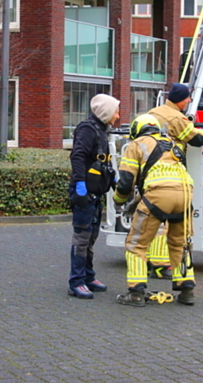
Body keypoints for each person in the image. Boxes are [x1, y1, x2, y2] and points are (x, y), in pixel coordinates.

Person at [113, 114, 196, 306]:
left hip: (158, 196)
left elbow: (126, 182)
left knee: (137, 245)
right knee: (180, 244)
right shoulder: (173, 144)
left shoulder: (137, 144)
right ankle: (186, 291)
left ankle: (136, 293)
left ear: (136, 130)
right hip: (184, 195)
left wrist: (118, 201)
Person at [145, 83, 203, 279]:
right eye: (187, 98)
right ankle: (161, 265)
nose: (189, 101)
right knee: (168, 223)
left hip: (149, 170)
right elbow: (195, 139)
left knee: (152, 220)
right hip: (170, 172)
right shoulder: (177, 118)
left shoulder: (153, 112)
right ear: (180, 99)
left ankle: (152, 261)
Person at [68, 93, 120, 299]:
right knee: (81, 237)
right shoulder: (87, 129)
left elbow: (102, 162)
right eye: (116, 111)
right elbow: (78, 156)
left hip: (94, 192)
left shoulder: (101, 130)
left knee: (91, 237)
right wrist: (80, 183)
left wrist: (113, 180)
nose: (118, 115)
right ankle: (76, 281)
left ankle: (88, 276)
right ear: (106, 111)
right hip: (85, 193)